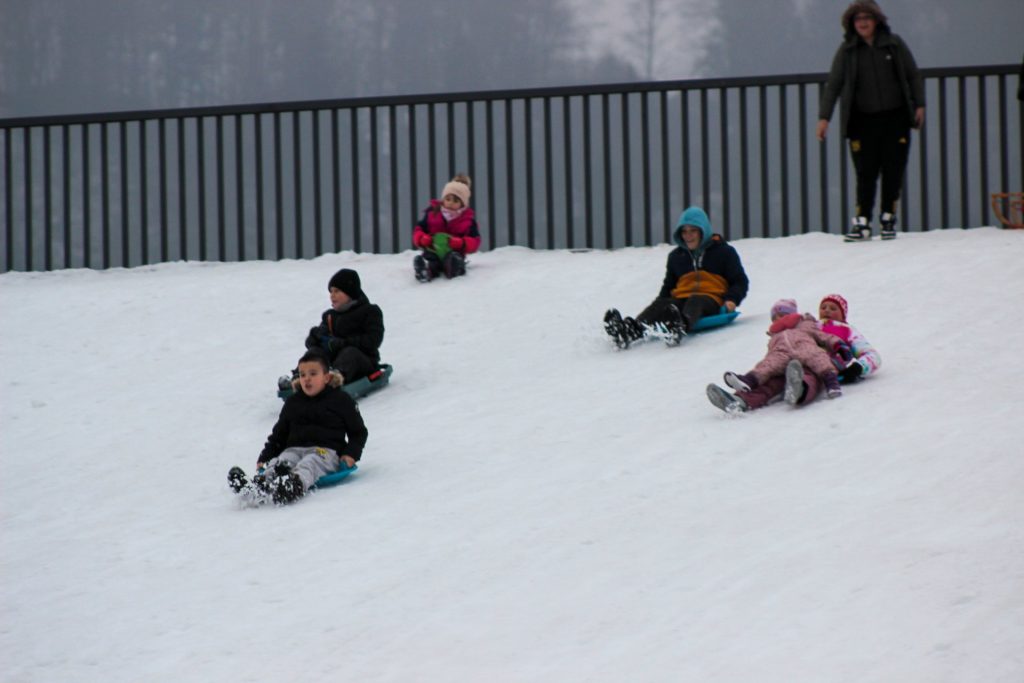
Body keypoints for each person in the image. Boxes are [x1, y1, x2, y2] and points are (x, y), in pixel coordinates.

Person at [816, 0, 925, 242]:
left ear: (877, 21)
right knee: (865, 172)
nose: (863, 22)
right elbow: (833, 84)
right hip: (861, 121)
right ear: (851, 24)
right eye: (858, 19)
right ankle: (862, 221)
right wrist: (824, 118)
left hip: (895, 117)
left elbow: (912, 74)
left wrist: (919, 104)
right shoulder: (847, 51)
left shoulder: (894, 45)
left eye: (867, 17)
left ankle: (888, 218)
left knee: (893, 169)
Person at [229, 349, 368, 505]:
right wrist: (266, 457)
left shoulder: (341, 400)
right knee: (281, 461)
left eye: (313, 374)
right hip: (294, 449)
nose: (307, 379)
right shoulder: (293, 402)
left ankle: (292, 486)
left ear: (327, 377)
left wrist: (350, 455)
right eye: (302, 375)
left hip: (325, 452)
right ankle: (258, 486)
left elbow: (358, 432)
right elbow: (279, 434)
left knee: (309, 463)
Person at [707, 293, 881, 414]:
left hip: (820, 363)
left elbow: (872, 356)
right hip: (794, 359)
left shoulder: (847, 330)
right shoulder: (808, 324)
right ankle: (740, 401)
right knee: (771, 380)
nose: (827, 310)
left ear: (843, 313)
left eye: (833, 308)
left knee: (810, 378)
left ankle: (799, 391)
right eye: (824, 306)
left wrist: (859, 368)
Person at [603, 205, 749, 348]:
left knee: (696, 300)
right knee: (662, 305)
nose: (688, 236)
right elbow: (668, 287)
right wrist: (659, 307)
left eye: (693, 231)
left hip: (710, 298)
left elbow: (740, 281)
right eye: (684, 232)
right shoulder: (676, 257)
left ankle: (678, 327)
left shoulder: (724, 252)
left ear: (703, 231)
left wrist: (732, 300)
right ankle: (629, 331)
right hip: (680, 299)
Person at [301, 267, 384, 385]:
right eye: (331, 292)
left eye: (337, 291)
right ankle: (301, 377)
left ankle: (333, 379)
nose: (332, 296)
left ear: (350, 293)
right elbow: (314, 344)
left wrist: (343, 343)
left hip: (362, 362)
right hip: (333, 362)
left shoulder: (370, 311)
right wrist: (315, 337)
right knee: (315, 352)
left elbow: (373, 341)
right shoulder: (329, 315)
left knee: (349, 353)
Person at [412, 173, 482, 282]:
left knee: (453, 259)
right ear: (443, 199)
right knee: (430, 259)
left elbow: (475, 241)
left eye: (455, 201)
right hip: (433, 250)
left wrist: (462, 243)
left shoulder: (467, 220)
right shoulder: (432, 213)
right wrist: (422, 239)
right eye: (448, 199)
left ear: (462, 204)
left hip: (453, 252)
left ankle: (454, 269)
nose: (450, 203)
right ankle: (425, 271)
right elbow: (419, 229)